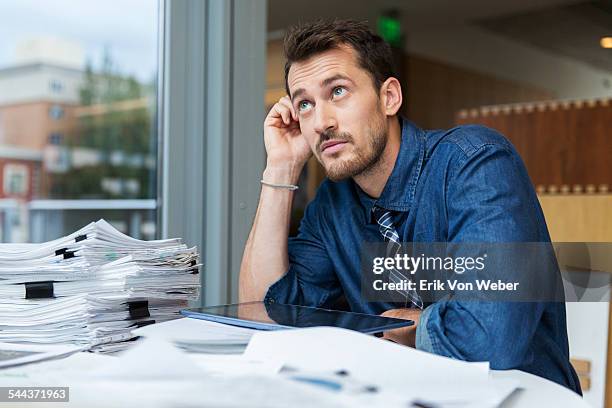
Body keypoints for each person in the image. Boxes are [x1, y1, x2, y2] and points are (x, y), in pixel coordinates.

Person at [239, 19, 580, 394]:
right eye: (304, 104)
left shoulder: (476, 163)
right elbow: (264, 314)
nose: (320, 122)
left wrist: (403, 324)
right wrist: (281, 166)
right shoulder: (332, 207)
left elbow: (490, 339)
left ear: (389, 98)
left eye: (338, 91)